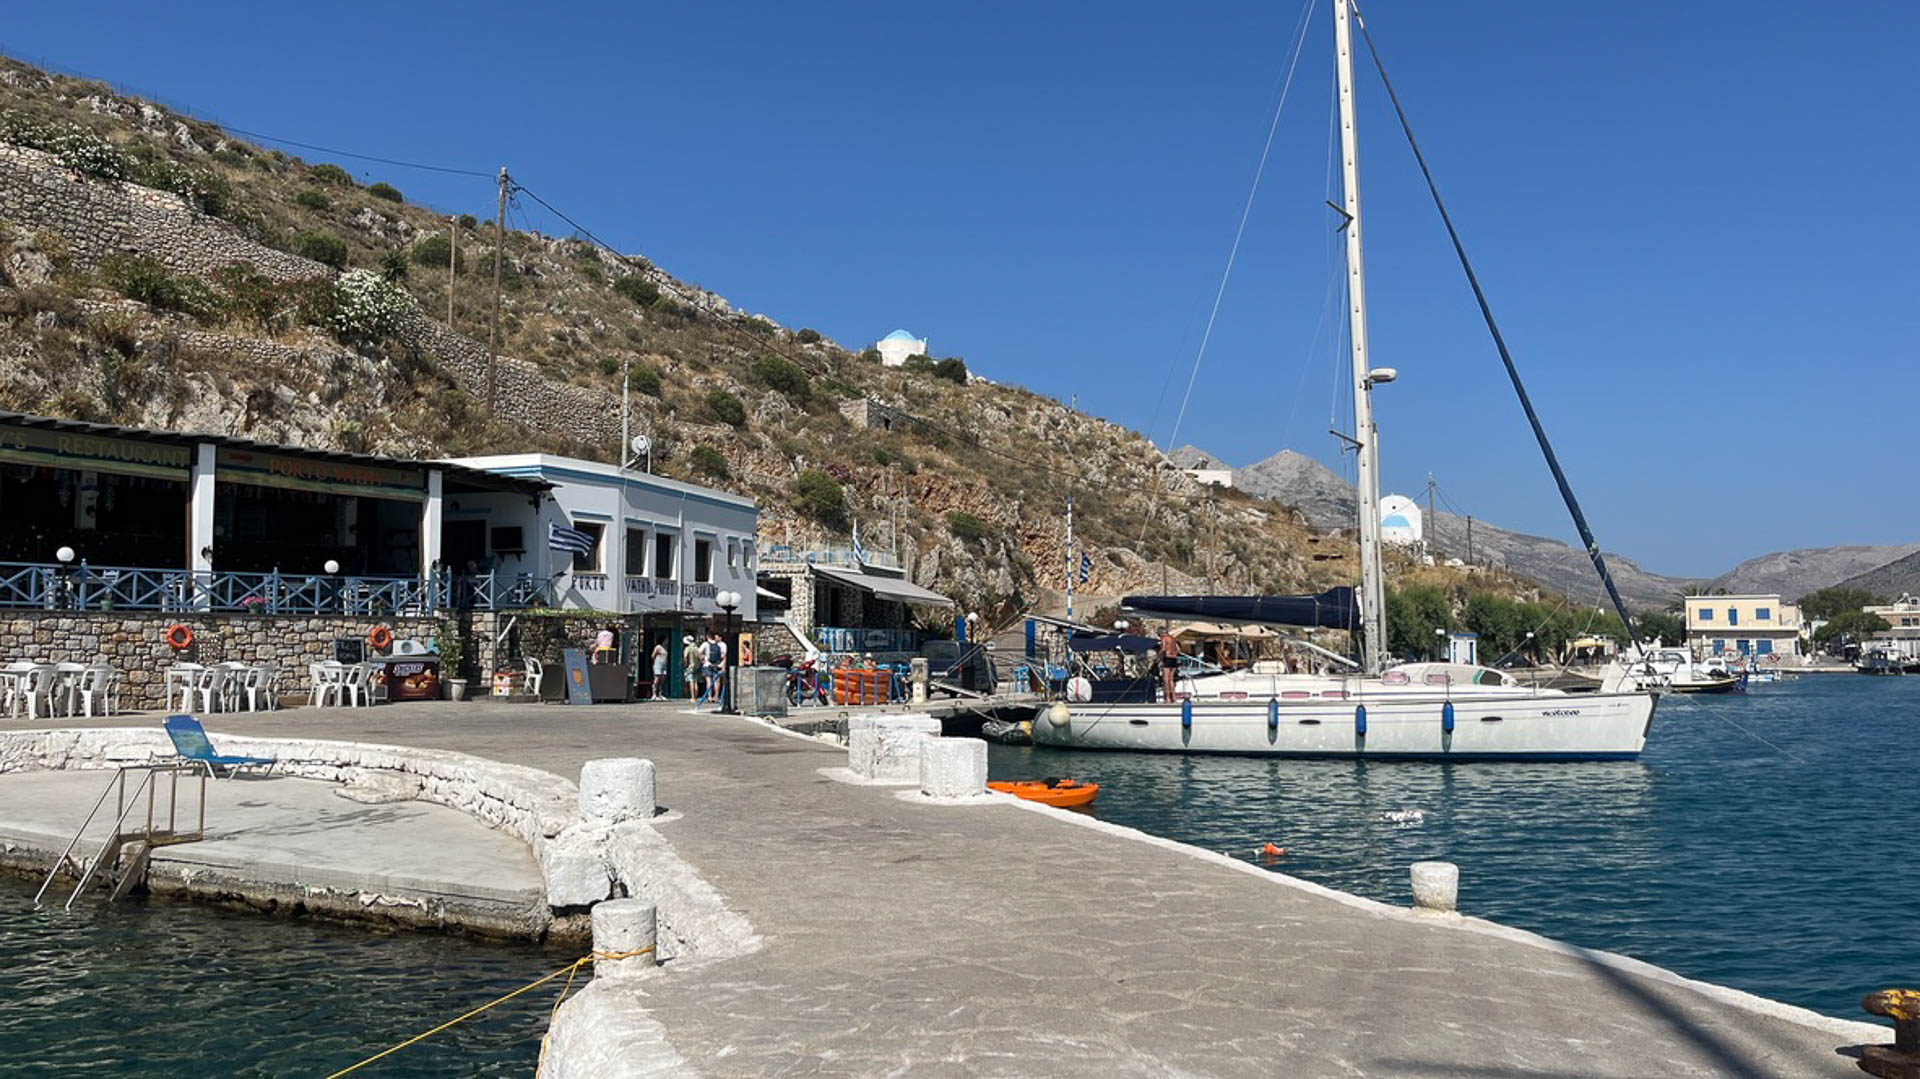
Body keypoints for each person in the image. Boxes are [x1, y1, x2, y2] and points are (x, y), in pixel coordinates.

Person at [1158, 627, 1181, 702]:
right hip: (1174, 659)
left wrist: (1159, 654)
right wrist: (1174, 654)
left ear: (1161, 633)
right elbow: (1178, 649)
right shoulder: (1174, 639)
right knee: (1171, 680)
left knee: (1166, 679)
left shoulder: (1164, 638)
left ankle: (1168, 698)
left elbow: (1164, 649)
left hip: (1167, 659)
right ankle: (1174, 697)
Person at [682, 634, 701, 701]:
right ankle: (695, 697)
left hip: (690, 666)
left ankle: (692, 697)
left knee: (691, 681)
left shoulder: (687, 648)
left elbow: (685, 657)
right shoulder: (696, 648)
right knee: (695, 682)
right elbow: (700, 657)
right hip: (696, 666)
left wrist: (685, 665)